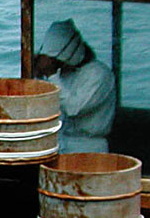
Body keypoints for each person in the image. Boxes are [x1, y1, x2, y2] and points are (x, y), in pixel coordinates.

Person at [33, 19, 116, 153]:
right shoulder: (65, 74)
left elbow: (73, 108)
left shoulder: (99, 74)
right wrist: (38, 75)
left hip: (89, 146)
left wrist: (51, 74)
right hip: (64, 141)